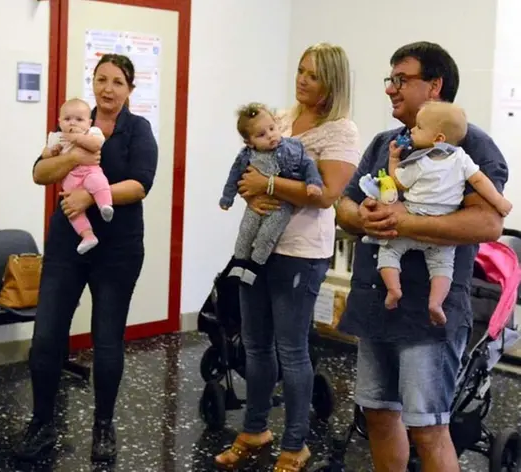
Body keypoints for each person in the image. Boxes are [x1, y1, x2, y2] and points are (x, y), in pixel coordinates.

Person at [335, 41, 508, 472]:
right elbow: (344, 204)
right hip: (377, 300)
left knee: (428, 427)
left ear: (435, 86)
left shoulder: (473, 146)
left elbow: (488, 224)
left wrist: (403, 222)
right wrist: (363, 217)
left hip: (429, 312)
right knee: (377, 414)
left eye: (401, 79)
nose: (391, 89)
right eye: (389, 80)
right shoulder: (383, 144)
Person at [214, 42, 360, 471]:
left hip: (300, 254)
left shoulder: (341, 131)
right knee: (256, 346)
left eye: (312, 75)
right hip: (259, 250)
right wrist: (249, 190)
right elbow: (247, 170)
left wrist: (269, 187)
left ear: (332, 82)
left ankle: (296, 444)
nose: (301, 80)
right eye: (300, 70)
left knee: (292, 349)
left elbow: (328, 195)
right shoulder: (279, 118)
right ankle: (255, 428)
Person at [14, 53, 158, 462]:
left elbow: (141, 184)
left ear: (130, 89)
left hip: (118, 248)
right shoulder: (75, 122)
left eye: (116, 82)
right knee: (46, 335)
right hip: (66, 244)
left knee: (107, 339)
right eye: (100, 79)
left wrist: (88, 196)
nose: (107, 89)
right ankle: (41, 423)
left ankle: (103, 427)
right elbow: (40, 173)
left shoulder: (138, 130)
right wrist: (73, 158)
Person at [361, 101, 512, 325]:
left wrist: (394, 159)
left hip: (412, 217)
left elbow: (398, 182)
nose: (412, 130)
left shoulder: (420, 162)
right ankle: (436, 303)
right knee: (442, 266)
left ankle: (393, 289)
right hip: (443, 224)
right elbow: (480, 181)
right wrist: (499, 202)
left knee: (389, 252)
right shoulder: (461, 158)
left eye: (419, 127)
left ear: (438, 139)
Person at [220, 102, 323, 272]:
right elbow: (235, 176)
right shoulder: (246, 155)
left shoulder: (292, 148)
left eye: (272, 128)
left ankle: (255, 267)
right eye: (261, 134)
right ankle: (238, 265)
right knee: (246, 231)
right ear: (249, 142)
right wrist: (227, 197)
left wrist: (313, 182)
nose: (270, 136)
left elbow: (308, 165)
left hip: (281, 205)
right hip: (257, 204)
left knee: (266, 235)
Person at [46, 97, 113, 254]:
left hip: (89, 172)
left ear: (89, 123)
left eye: (79, 119)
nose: (72, 123)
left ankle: (105, 205)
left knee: (98, 182)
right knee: (71, 209)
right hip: (71, 180)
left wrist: (77, 138)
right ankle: (87, 235)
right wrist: (52, 151)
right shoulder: (58, 137)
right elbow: (44, 158)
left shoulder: (92, 132)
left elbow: (96, 145)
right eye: (67, 119)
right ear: (59, 121)